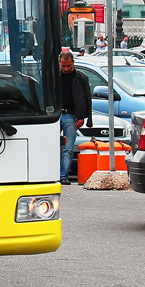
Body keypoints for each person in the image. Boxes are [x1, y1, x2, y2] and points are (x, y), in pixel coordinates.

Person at [58, 50, 91, 186]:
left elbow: (85, 99)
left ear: (73, 64)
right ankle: (55, 174)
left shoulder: (80, 77)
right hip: (55, 114)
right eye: (63, 66)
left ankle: (63, 175)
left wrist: (82, 116)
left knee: (69, 148)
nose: (66, 69)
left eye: (68, 66)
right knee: (51, 146)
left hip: (71, 115)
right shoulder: (55, 76)